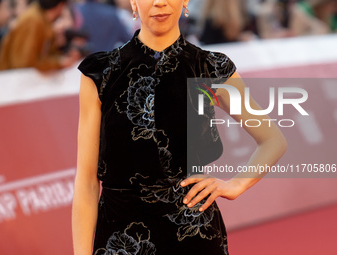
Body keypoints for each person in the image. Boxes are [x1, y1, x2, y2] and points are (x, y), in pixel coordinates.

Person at [72, 0, 287, 254]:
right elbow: (86, 182)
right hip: (120, 239)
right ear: (133, 3)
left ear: (185, 1)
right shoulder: (100, 73)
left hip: (193, 235)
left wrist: (236, 184)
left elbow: (273, 140)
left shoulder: (211, 68)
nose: (160, 2)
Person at [0, 0, 80, 71]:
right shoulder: (33, 20)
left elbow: (45, 55)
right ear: (60, 6)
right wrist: (59, 63)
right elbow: (25, 63)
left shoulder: (41, 18)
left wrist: (62, 57)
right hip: (11, 83)